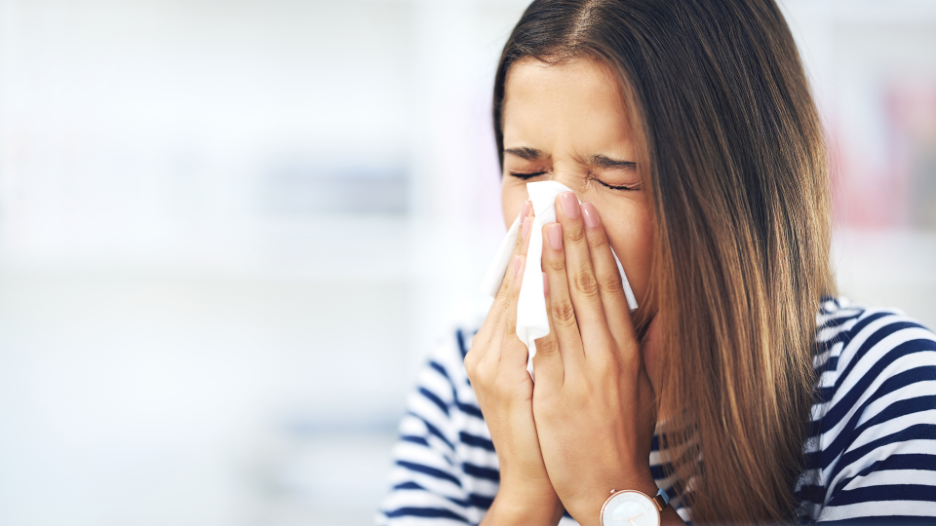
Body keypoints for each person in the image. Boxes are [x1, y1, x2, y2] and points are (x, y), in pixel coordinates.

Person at [378, 0, 936, 524]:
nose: (555, 220)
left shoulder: (885, 391)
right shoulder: (467, 382)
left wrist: (614, 493)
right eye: (526, 172)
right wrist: (525, 496)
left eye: (619, 177)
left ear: (735, 192)